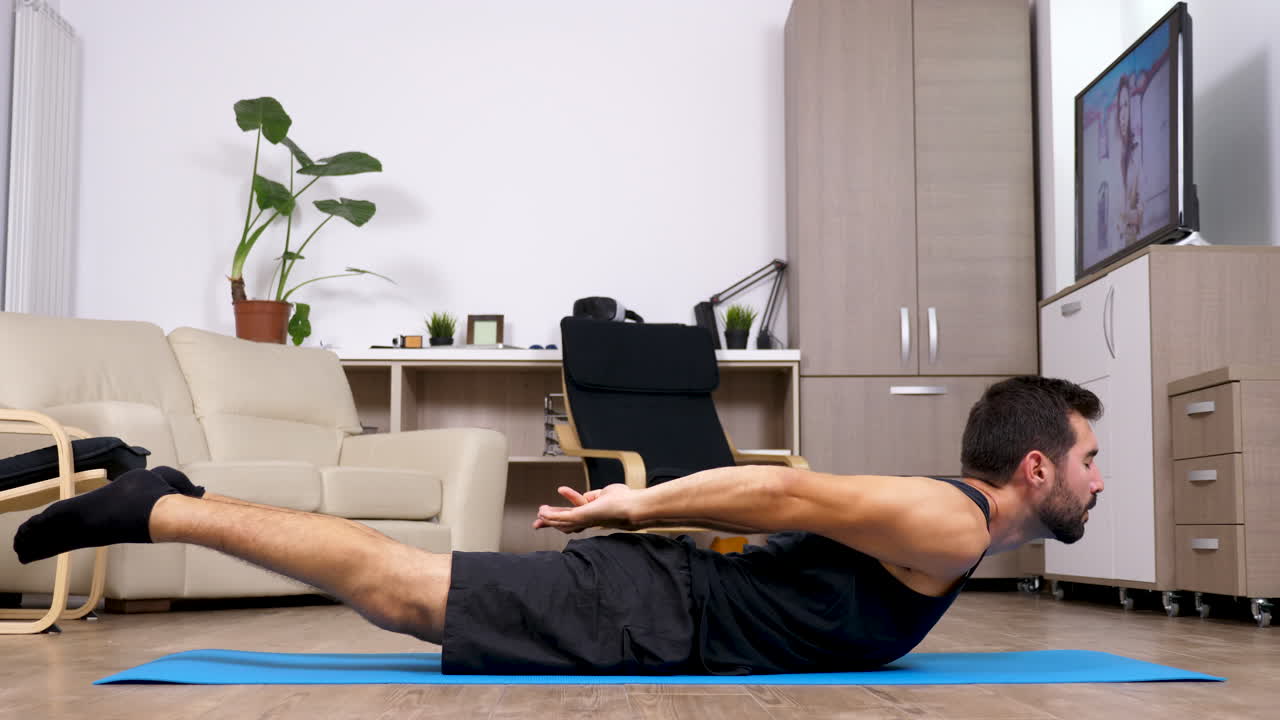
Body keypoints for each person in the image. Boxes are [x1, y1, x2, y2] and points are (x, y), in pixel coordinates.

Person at [12, 375, 1103, 675]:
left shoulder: (952, 524)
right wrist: (635, 501)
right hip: (657, 609)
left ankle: (165, 495)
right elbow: (783, 494)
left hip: (670, 608)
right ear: (1036, 466)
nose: (1098, 483)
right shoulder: (950, 522)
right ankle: (162, 505)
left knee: (406, 589)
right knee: (402, 589)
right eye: (1090, 460)